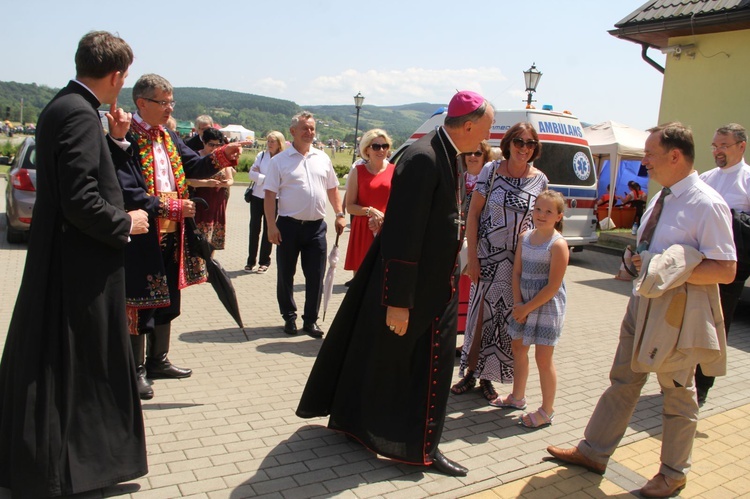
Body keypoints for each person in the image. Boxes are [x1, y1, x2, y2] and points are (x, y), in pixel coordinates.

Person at [296, 91, 495, 477]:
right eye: (487, 128)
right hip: (416, 290)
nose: (488, 137)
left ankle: (359, 423)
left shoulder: (446, 154)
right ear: (469, 125)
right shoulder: (424, 158)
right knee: (426, 370)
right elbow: (403, 236)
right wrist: (399, 302)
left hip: (434, 285)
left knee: (390, 361)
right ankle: (420, 450)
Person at [547, 123, 736, 498]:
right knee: (624, 378)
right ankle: (594, 452)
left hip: (676, 313)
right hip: (642, 303)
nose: (645, 160)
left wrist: (666, 270)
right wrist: (637, 261)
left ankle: (673, 473)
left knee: (678, 392)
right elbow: (651, 252)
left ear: (675, 156)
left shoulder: (707, 203)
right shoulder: (660, 198)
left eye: (650, 154)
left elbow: (726, 270)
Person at [0, 31, 149, 497]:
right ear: (117, 74)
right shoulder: (80, 114)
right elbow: (81, 198)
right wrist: (125, 222)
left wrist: (118, 144)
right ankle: (69, 466)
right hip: (79, 268)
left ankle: (52, 462)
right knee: (78, 366)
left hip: (64, 259)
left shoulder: (66, 107)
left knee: (53, 363)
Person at [112, 74, 242, 399]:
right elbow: (128, 193)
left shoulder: (168, 135)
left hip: (173, 232)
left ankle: (158, 360)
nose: (170, 108)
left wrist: (223, 156)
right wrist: (173, 206)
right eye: (164, 102)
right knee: (140, 301)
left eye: (172, 102)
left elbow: (193, 165)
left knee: (168, 296)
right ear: (142, 103)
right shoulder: (124, 138)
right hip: (142, 232)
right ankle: (135, 369)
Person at [452, 123, 549, 402]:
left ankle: (488, 378)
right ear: (508, 143)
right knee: (480, 316)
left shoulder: (540, 180)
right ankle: (471, 372)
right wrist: (472, 256)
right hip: (488, 258)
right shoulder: (491, 171)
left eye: (530, 144)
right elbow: (473, 214)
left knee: (506, 321)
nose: (524, 148)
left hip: (519, 263)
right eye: (519, 141)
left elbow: (545, 219)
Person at [263, 112, 346, 338]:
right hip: (288, 226)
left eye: (312, 128)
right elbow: (269, 195)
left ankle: (311, 321)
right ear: (293, 132)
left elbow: (332, 188)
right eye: (304, 128)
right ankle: (289, 317)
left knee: (316, 276)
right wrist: (271, 225)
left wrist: (339, 213)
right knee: (285, 275)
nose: (309, 132)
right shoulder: (279, 161)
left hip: (316, 228)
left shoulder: (322, 158)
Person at [492, 190, 568, 428]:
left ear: (558, 216)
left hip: (546, 307)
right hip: (522, 304)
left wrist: (526, 308)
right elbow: (516, 272)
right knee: (518, 347)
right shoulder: (525, 238)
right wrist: (518, 303)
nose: (541, 215)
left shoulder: (558, 245)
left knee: (543, 358)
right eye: (538, 209)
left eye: (548, 211)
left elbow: (553, 286)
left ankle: (547, 410)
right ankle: (517, 397)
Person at [696, 123, 749, 406]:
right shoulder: (706, 178)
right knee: (690, 320)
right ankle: (682, 379)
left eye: (723, 146)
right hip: (699, 264)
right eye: (714, 146)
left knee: (717, 327)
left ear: (741, 146)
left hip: (728, 270)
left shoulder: (748, 180)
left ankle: (702, 385)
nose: (717, 151)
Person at [344, 128, 395, 274]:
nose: (381, 150)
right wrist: (370, 211)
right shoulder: (357, 171)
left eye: (384, 146)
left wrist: (383, 218)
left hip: (386, 228)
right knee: (361, 277)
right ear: (367, 149)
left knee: (384, 276)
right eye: (376, 146)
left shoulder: (395, 171)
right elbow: (350, 206)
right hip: (363, 229)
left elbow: (400, 204)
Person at [246, 131, 286, 273]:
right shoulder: (261, 155)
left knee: (269, 229)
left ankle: (265, 261)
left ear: (279, 143)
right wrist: (267, 178)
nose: (269, 144)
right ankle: (251, 261)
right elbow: (252, 174)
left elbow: (281, 179)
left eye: (272, 141)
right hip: (257, 197)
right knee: (254, 229)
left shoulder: (283, 159)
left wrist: (261, 177)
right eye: (268, 141)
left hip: (274, 199)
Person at [188, 127, 234, 250]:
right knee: (199, 242)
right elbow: (187, 181)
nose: (214, 148)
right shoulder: (196, 157)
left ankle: (209, 267)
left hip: (218, 203)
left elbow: (231, 180)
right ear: (204, 142)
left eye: (218, 145)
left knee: (212, 243)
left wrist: (225, 183)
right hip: (201, 204)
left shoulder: (222, 159)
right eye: (211, 144)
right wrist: (206, 183)